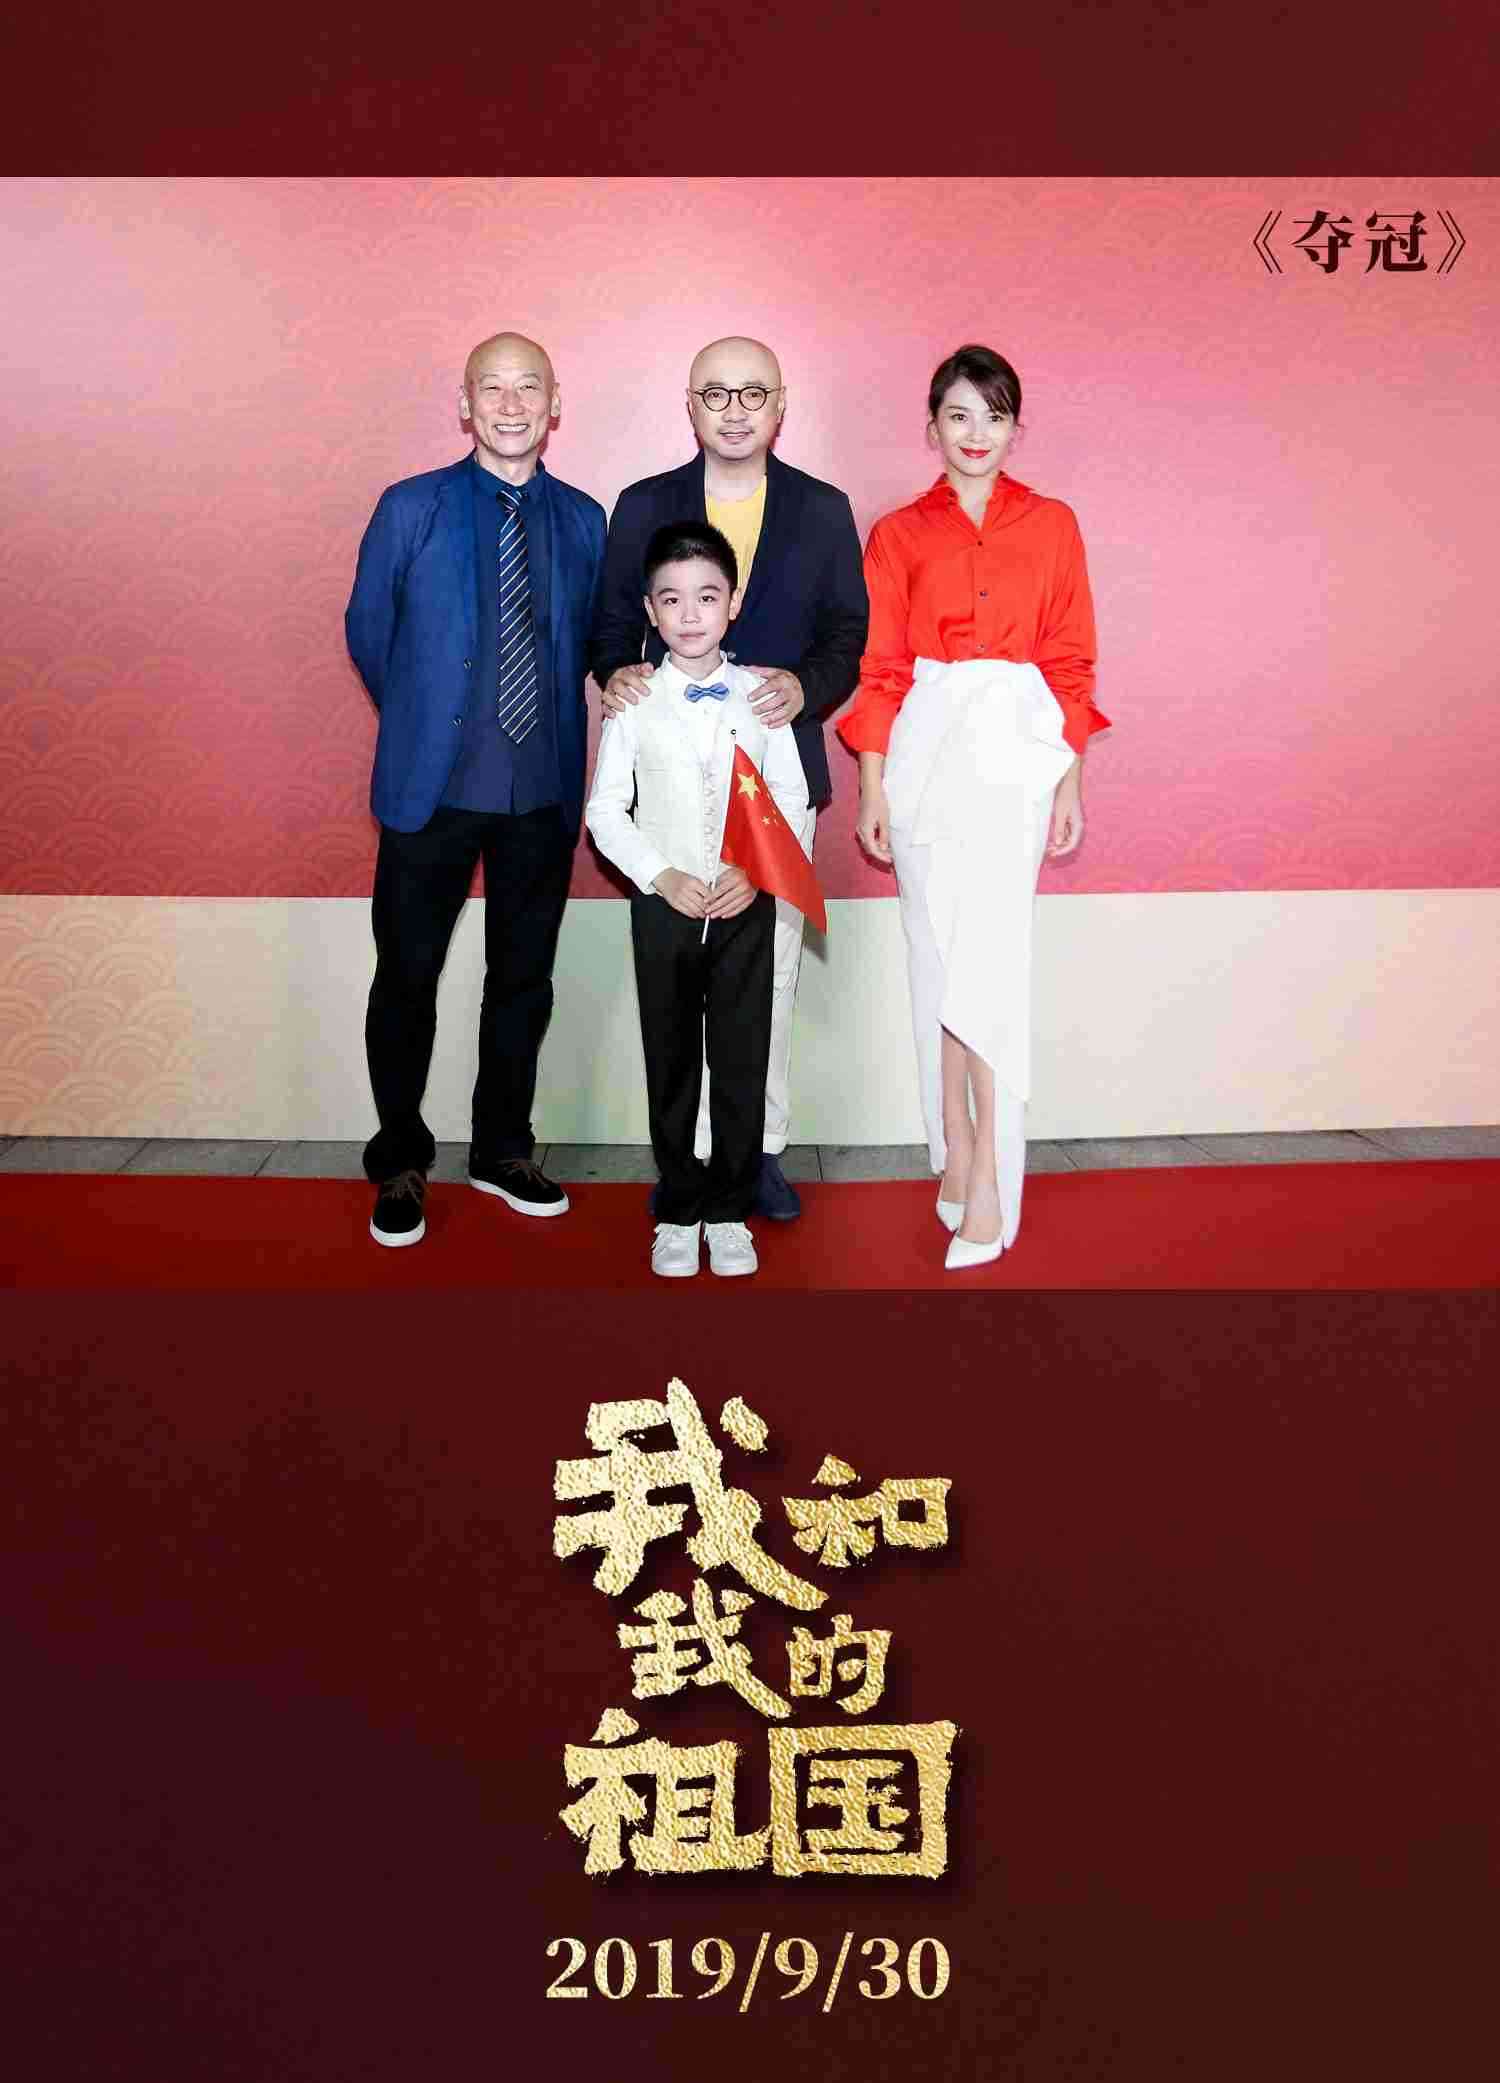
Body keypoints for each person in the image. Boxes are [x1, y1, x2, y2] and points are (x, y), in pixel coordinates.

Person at [838, 344, 1109, 1269]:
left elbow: (1071, 660)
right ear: (932, 427)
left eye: (994, 415)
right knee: (938, 959)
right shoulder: (898, 533)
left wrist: (1069, 777)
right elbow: (881, 667)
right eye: (959, 414)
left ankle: (991, 1180)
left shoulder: (1054, 524)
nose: (976, 433)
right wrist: (872, 785)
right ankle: (953, 1148)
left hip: (1015, 758)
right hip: (923, 756)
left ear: (1016, 427)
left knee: (990, 966)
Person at [589, 335, 868, 1222]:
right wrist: (618, 674)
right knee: (680, 990)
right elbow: (608, 622)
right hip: (672, 784)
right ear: (690, 405)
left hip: (775, 779)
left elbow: (848, 635)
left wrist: (805, 687)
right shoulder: (643, 504)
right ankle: (689, 1162)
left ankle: (760, 1153)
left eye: (754, 393)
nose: (735, 409)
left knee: (767, 978)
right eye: (716, 392)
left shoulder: (822, 508)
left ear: (781, 405)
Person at [345, 331, 606, 1247]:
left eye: (528, 386)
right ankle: (400, 1156)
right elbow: (369, 631)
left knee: (522, 980)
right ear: (465, 405)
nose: (510, 404)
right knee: (406, 977)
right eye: (491, 388)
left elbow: (594, 640)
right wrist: (427, 719)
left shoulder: (585, 519)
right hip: (432, 790)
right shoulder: (409, 507)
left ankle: (502, 1149)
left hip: (541, 791)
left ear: (555, 404)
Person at [585, 521, 811, 1279]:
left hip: (746, 903)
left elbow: (790, 795)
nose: (690, 614)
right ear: (651, 610)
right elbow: (605, 811)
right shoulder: (632, 700)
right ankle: (680, 1206)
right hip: (665, 908)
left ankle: (730, 1208)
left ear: (733, 603)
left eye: (707, 597)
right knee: (673, 1056)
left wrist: (756, 868)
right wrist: (660, 876)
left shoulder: (763, 697)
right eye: (673, 599)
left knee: (744, 1057)